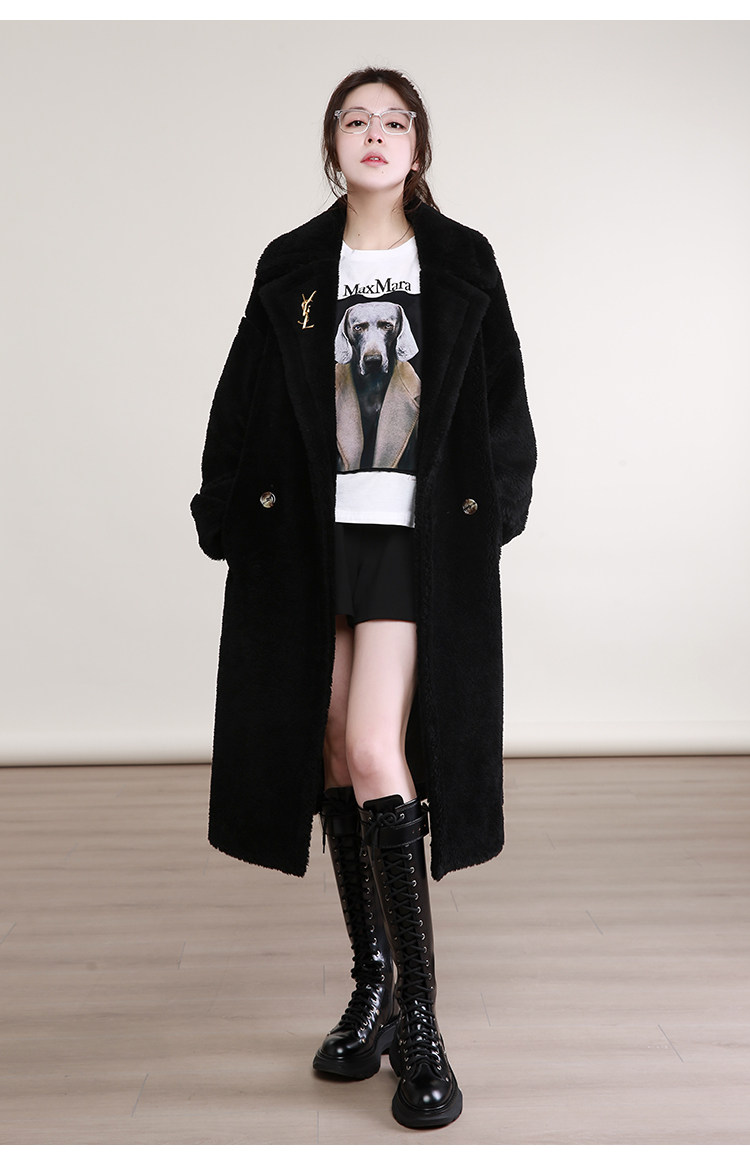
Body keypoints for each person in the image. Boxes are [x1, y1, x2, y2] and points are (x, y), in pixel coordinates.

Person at [190, 66, 536, 1131]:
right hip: (309, 536)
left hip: (410, 540)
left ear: (419, 147)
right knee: (335, 749)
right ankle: (374, 985)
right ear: (332, 145)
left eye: (394, 121)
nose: (375, 134)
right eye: (355, 120)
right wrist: (222, 508)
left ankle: (423, 1021)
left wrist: (496, 510)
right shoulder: (293, 263)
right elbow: (242, 394)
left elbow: (505, 405)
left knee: (378, 746)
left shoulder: (462, 260)